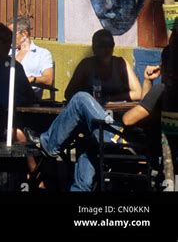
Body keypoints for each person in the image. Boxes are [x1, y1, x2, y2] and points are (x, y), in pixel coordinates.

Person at [25, 49, 171, 192]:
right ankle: (80, 188)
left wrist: (120, 115)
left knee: (81, 99)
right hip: (140, 143)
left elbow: (128, 120)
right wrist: (147, 80)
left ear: (163, 65)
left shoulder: (161, 89)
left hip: (125, 143)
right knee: (88, 139)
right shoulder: (168, 91)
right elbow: (146, 104)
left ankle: (48, 144)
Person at [65, 28, 141, 103]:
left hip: (117, 111)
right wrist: (89, 102)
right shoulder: (86, 65)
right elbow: (69, 94)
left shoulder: (121, 63)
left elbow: (138, 93)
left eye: (110, 45)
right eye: (102, 46)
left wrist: (109, 99)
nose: (107, 49)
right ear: (94, 48)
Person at [13, 15, 54, 100]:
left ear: (24, 33)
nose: (9, 37)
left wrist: (33, 79)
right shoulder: (9, 51)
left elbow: (48, 79)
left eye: (12, 34)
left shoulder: (42, 54)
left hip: (28, 97)